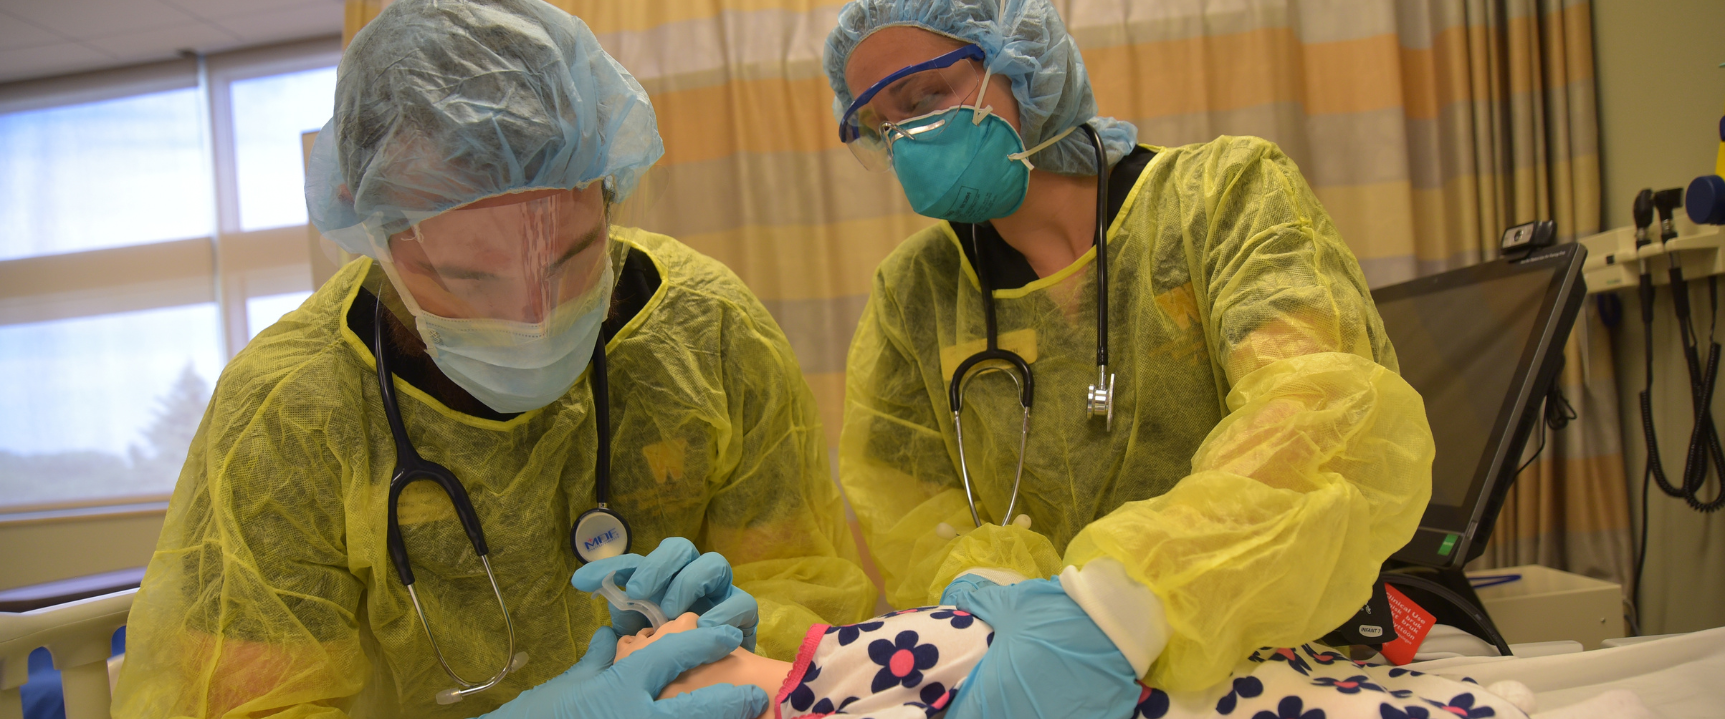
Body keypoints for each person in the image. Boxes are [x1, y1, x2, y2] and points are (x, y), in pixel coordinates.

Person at [110, 1, 874, 717]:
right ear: (371, 229)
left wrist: (738, 643)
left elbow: (800, 584)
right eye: (470, 278)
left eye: (572, 258)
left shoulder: (708, 329)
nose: (534, 318)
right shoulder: (289, 412)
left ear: (611, 191)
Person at [822, 0, 1436, 714]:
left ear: (1024, 67)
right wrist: (1006, 600)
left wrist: (1118, 605)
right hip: (1033, 664)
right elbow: (913, 511)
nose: (907, 137)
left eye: (924, 97)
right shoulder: (912, 293)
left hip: (1261, 649)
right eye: (880, 125)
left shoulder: (1221, 197)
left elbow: (1314, 421)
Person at [611, 604, 1534, 719]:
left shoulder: (820, 657)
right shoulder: (814, 706)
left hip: (1143, 665)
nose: (637, 636)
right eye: (645, 654)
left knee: (1287, 673)